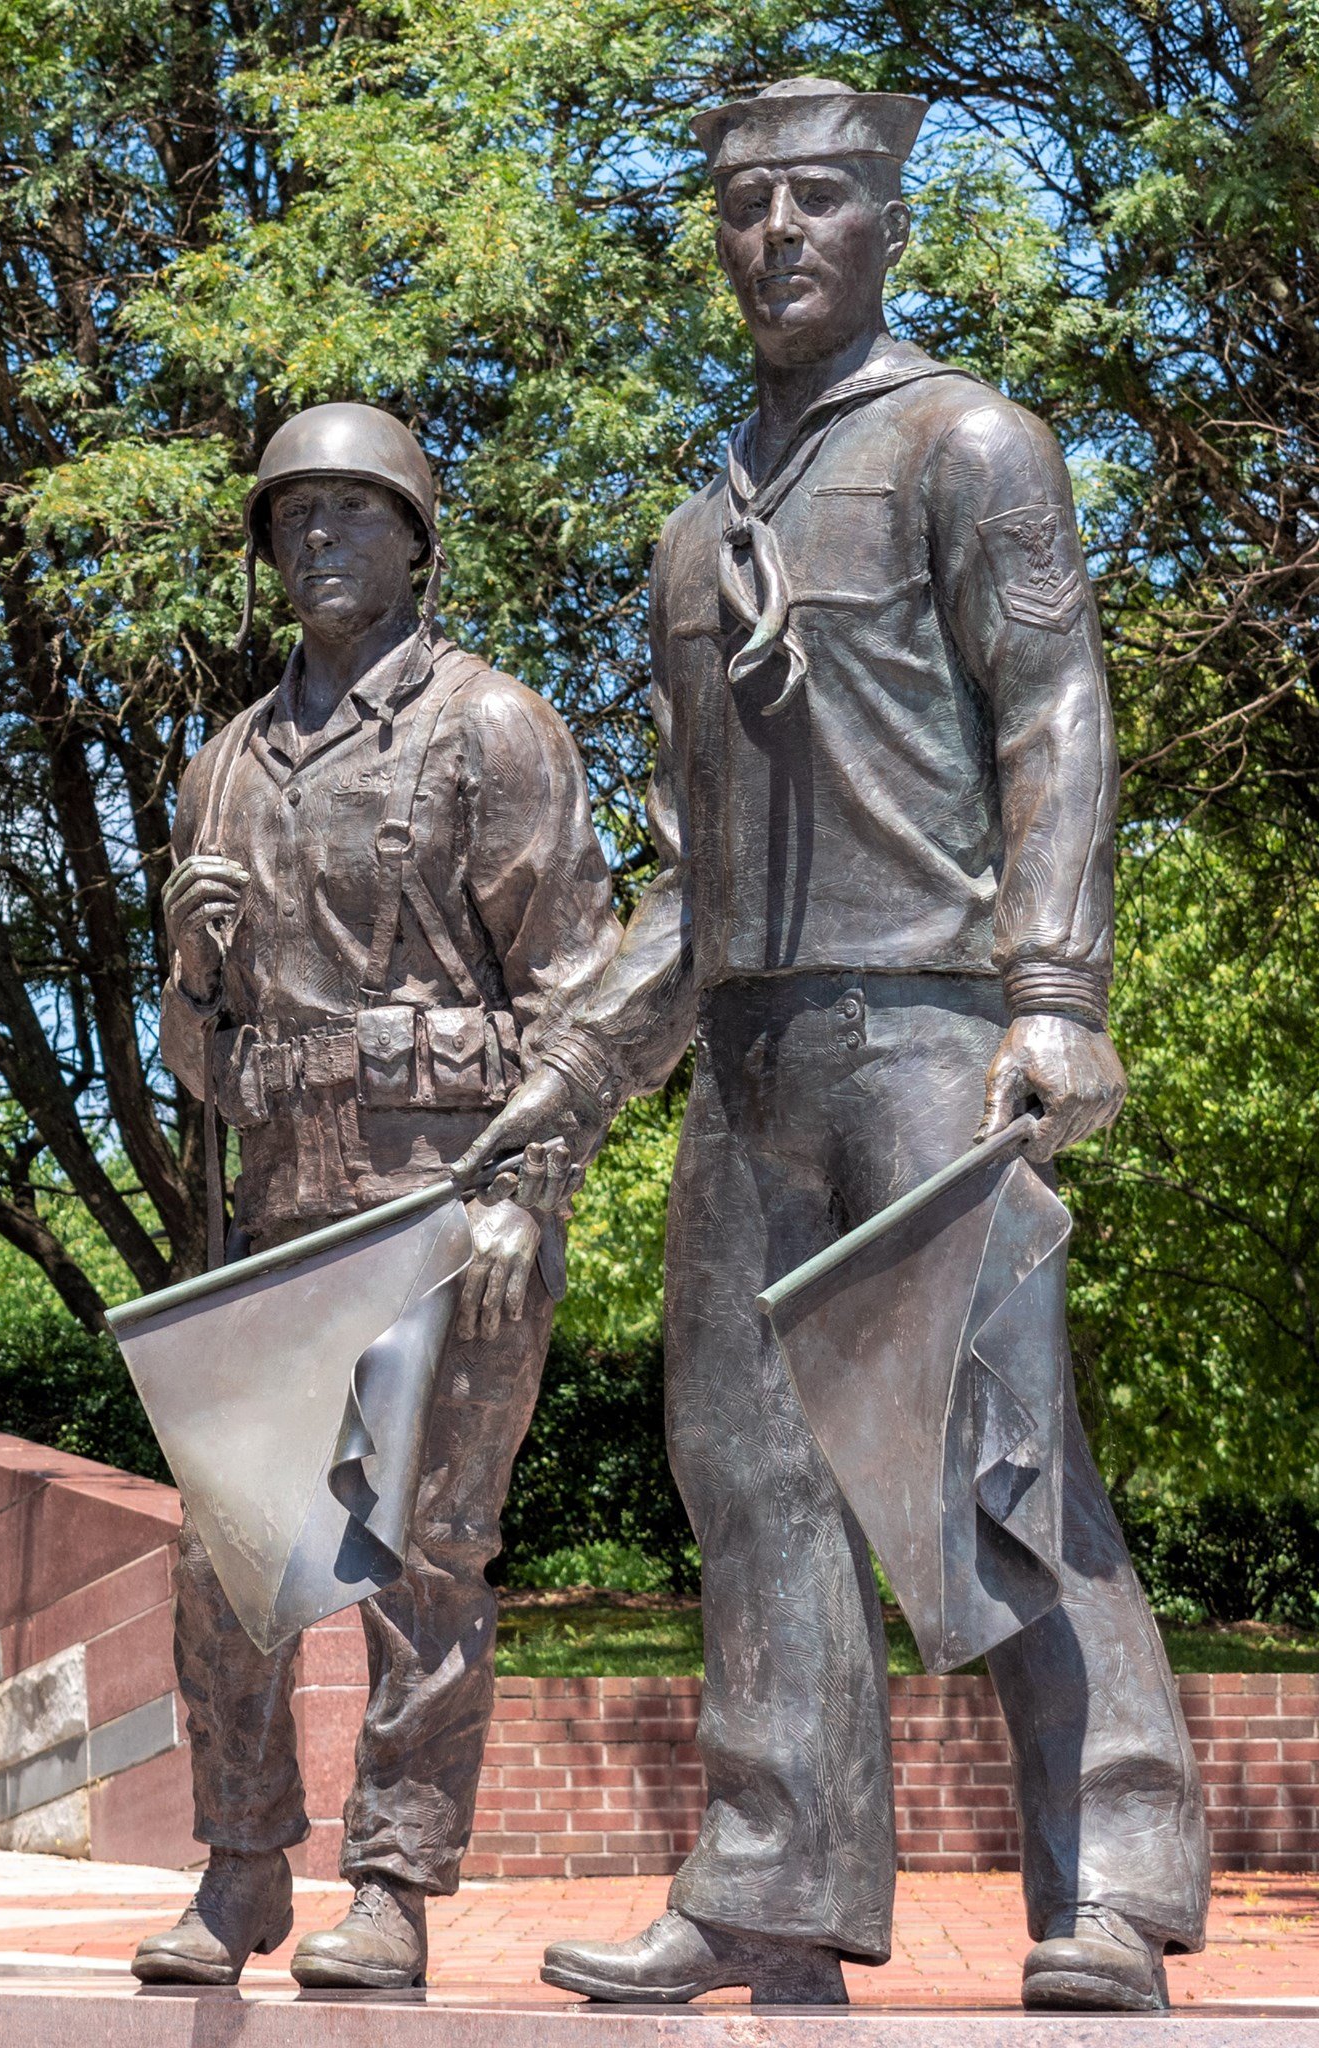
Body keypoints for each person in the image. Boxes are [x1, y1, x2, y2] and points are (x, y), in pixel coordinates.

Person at [459, 80, 1208, 2013]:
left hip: (937, 1032)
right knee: (753, 1480)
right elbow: (703, 866)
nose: (776, 232)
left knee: (990, 1453)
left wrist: (1060, 992)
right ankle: (773, 1887)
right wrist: (579, 1066)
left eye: (816, 199)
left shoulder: (974, 446)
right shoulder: (695, 534)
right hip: (751, 1061)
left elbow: (1054, 715)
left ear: (886, 222)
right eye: (741, 204)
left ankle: (1111, 1884)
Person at [132, 403, 620, 1990]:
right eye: (291, 517)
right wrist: (192, 975)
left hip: (446, 1205)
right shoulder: (221, 767)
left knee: (425, 1563)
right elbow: (201, 1070)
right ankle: (242, 1863)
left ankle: (396, 1887)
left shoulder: (493, 728)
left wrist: (525, 1195)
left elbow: (582, 992)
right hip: (283, 1210)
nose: (317, 537)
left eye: (351, 510)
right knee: (229, 1559)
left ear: (417, 537)